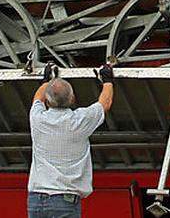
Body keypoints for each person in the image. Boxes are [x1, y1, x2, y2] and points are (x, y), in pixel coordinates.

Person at [27, 62, 115, 218]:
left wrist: (46, 81)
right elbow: (105, 103)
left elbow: (37, 99)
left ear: (48, 101)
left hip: (36, 199)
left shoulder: (37, 119)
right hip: (65, 200)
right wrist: (107, 80)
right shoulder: (79, 121)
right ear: (72, 98)